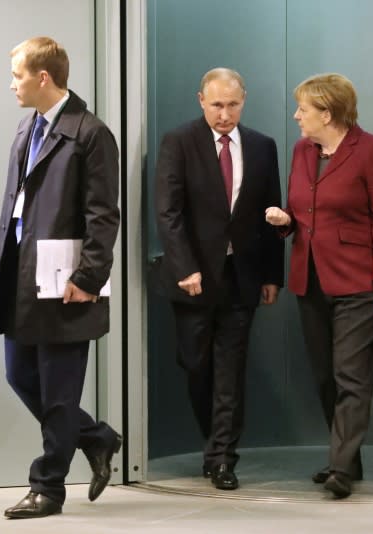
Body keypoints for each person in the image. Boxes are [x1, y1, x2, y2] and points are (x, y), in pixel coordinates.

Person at [0, 37, 122, 519]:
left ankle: (48, 488)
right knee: (20, 374)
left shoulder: (90, 133)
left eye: (17, 75)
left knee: (59, 390)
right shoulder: (27, 129)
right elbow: (16, 204)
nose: (12, 84)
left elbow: (104, 215)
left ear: (44, 77)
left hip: (67, 282)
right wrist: (1, 259)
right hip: (22, 276)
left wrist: (89, 275)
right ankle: (97, 437)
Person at [265, 73, 373, 499]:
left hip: (358, 280)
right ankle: (349, 458)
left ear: (327, 112)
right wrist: (285, 221)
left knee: (352, 376)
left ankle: (340, 467)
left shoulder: (372, 150)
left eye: (303, 109)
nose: (296, 116)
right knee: (325, 376)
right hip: (310, 278)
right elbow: (304, 209)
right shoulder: (303, 149)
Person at [154, 68, 284, 491]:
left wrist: (271, 274)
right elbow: (168, 212)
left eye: (232, 105)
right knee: (196, 365)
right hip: (193, 276)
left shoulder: (263, 146)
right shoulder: (179, 141)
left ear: (243, 101)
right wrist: (184, 266)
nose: (225, 114)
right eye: (216, 105)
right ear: (201, 100)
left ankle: (223, 457)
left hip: (242, 276)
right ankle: (214, 442)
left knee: (231, 370)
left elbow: (272, 214)